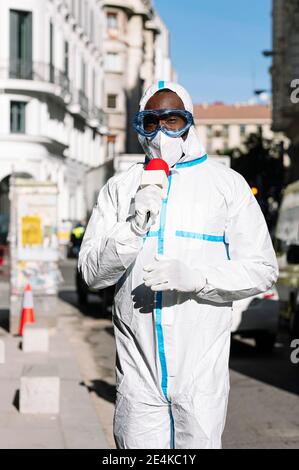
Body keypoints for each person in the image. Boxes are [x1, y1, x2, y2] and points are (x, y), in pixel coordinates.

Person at [78, 81, 279, 449]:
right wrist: (134, 227)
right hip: (139, 372)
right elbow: (92, 273)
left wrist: (199, 278)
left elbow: (262, 268)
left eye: (173, 120)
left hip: (200, 370)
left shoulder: (227, 185)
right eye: (150, 122)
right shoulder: (120, 189)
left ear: (190, 123)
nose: (162, 132)